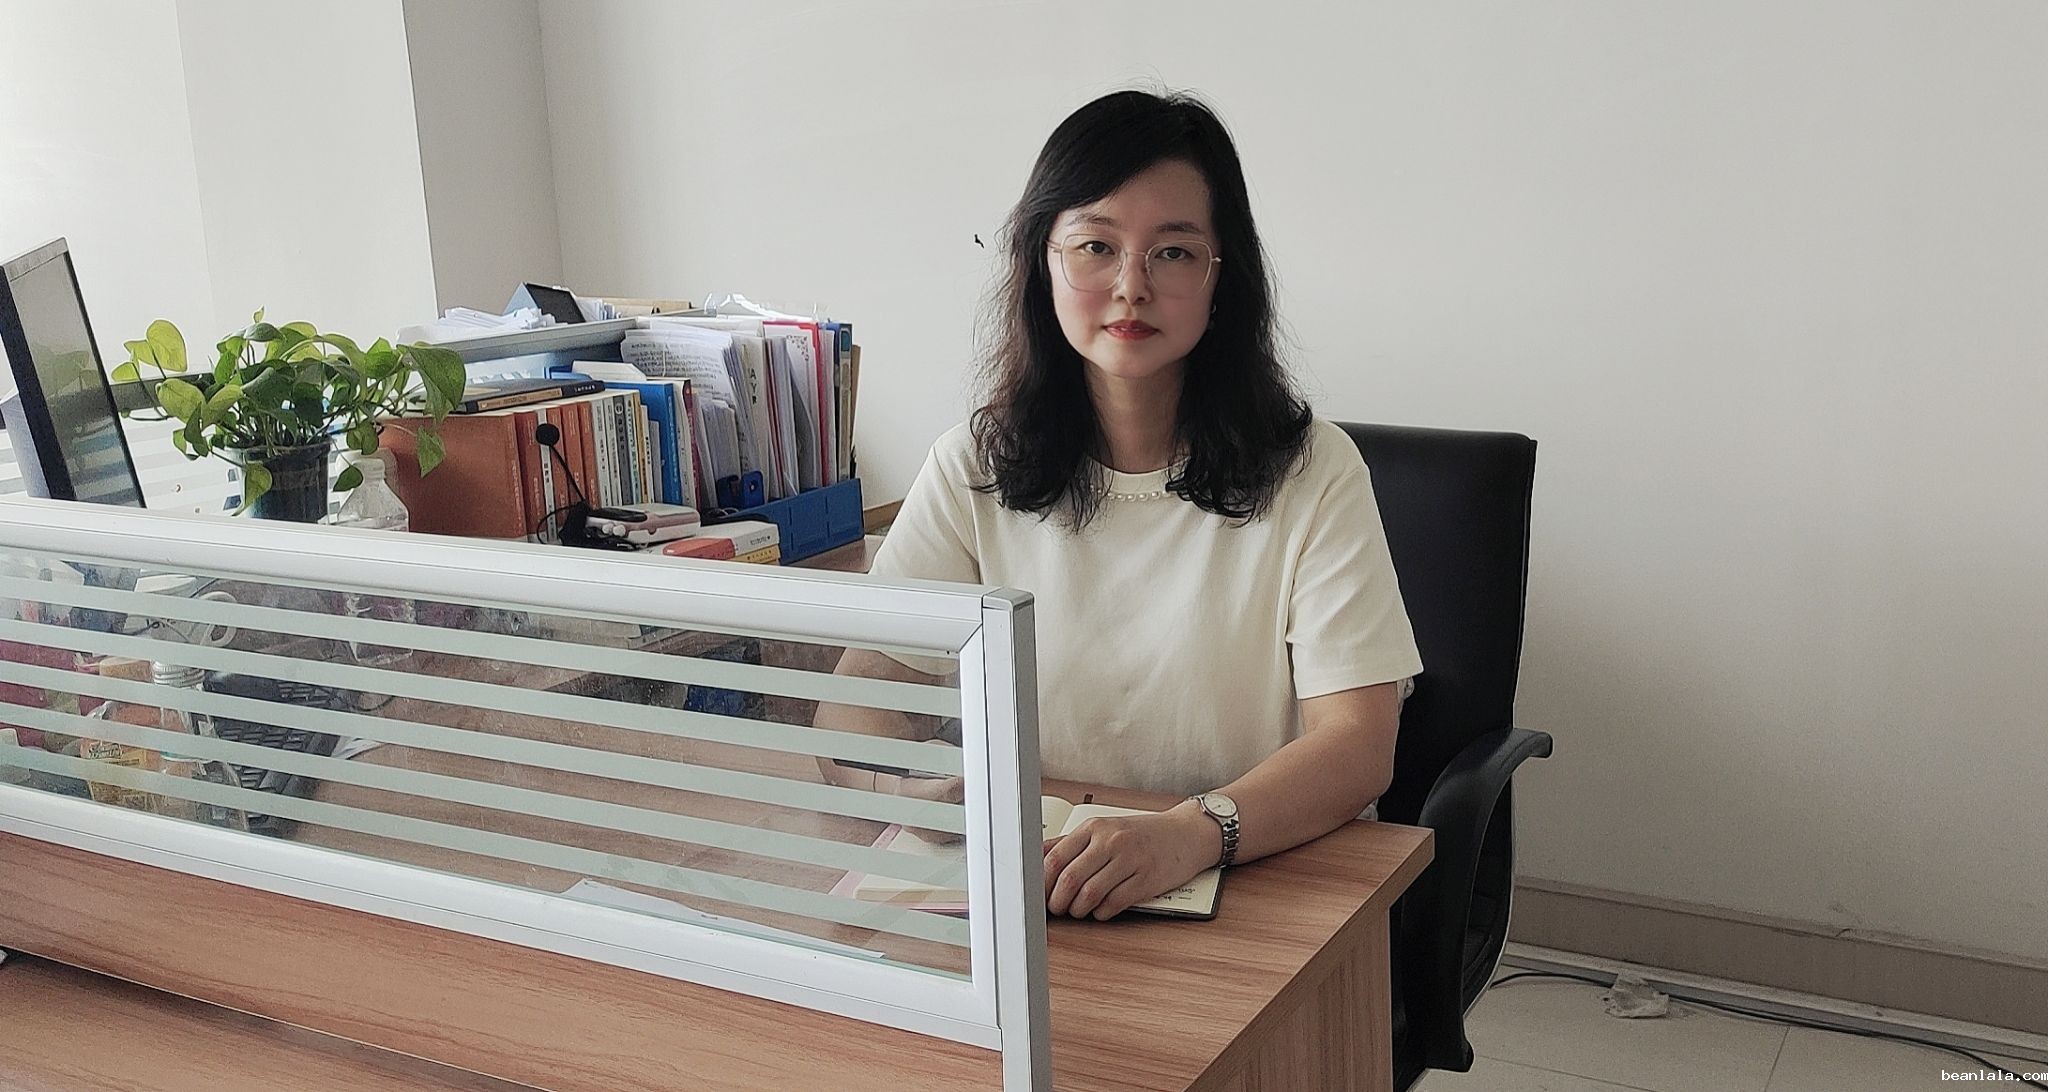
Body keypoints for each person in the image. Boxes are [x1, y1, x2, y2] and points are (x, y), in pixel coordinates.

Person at [816, 88, 1421, 921]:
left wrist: (1191, 832)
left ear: (1222, 277)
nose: (1131, 287)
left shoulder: (1314, 471)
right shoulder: (972, 467)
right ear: (1042, 264)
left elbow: (1357, 746)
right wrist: (917, 790)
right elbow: (854, 706)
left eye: (1173, 253)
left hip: (1257, 881)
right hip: (1044, 884)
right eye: (1096, 246)